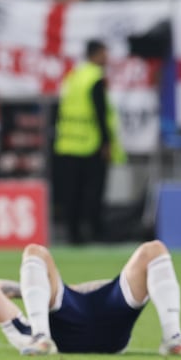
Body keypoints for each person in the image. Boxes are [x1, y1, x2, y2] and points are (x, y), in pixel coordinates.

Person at [0, 241, 181, 356]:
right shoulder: (20, 333)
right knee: (34, 251)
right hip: (88, 322)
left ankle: (173, 339)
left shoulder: (21, 328)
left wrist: (37, 290)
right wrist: (38, 290)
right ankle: (173, 340)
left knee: (155, 248)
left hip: (75, 309)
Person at [53, 39, 124, 245]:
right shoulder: (94, 78)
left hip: (67, 143)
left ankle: (73, 234)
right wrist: (106, 142)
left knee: (72, 192)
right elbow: (100, 113)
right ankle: (94, 232)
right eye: (104, 53)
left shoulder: (74, 77)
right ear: (96, 54)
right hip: (90, 144)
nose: (106, 58)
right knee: (92, 192)